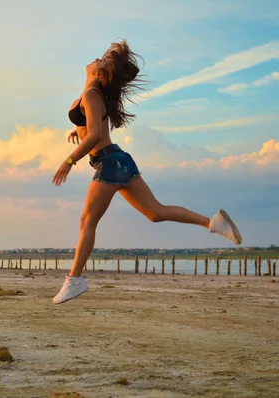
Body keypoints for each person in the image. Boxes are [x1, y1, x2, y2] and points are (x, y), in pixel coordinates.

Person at [51, 39, 242, 304]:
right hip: (120, 161)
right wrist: (79, 129)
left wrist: (69, 161)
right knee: (156, 213)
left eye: (103, 61)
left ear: (101, 74)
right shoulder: (94, 95)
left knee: (87, 222)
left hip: (109, 163)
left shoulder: (92, 95)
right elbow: (93, 127)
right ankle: (212, 222)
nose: (97, 59)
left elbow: (95, 134)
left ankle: (74, 280)